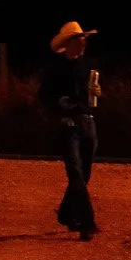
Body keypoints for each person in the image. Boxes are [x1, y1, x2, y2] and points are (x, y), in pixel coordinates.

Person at [40, 21, 100, 240]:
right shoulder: (55, 68)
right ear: (70, 43)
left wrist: (97, 94)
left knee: (83, 174)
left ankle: (66, 213)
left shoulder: (89, 65)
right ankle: (87, 222)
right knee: (75, 173)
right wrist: (58, 105)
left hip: (87, 122)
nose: (84, 42)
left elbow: (91, 96)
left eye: (84, 39)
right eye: (80, 39)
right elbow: (44, 97)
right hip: (67, 124)